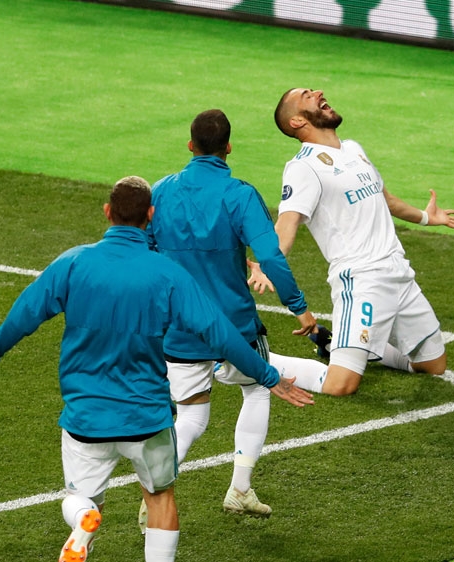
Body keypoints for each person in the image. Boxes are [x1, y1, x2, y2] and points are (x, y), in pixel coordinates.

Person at [0, 176, 313, 562]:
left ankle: (84, 518)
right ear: (151, 215)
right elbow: (221, 334)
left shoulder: (73, 263)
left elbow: (24, 313)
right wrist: (268, 376)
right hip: (147, 418)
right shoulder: (169, 274)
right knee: (160, 499)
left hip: (86, 416)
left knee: (79, 498)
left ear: (107, 212)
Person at [145, 109, 317, 522]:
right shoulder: (240, 195)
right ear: (229, 147)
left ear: (190, 146)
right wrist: (298, 307)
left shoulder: (161, 191)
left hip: (179, 328)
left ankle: (155, 492)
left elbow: (144, 252)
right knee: (257, 389)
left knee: (191, 415)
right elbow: (270, 256)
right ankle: (240, 488)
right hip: (235, 326)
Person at [265, 87, 454, 396]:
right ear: (297, 122)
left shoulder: (353, 148)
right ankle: (253, 359)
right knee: (340, 385)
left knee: (432, 365)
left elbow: (387, 199)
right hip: (361, 279)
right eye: (306, 95)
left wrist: (427, 218)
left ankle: (337, 343)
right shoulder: (303, 167)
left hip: (399, 273)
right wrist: (269, 261)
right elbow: (287, 223)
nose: (318, 92)